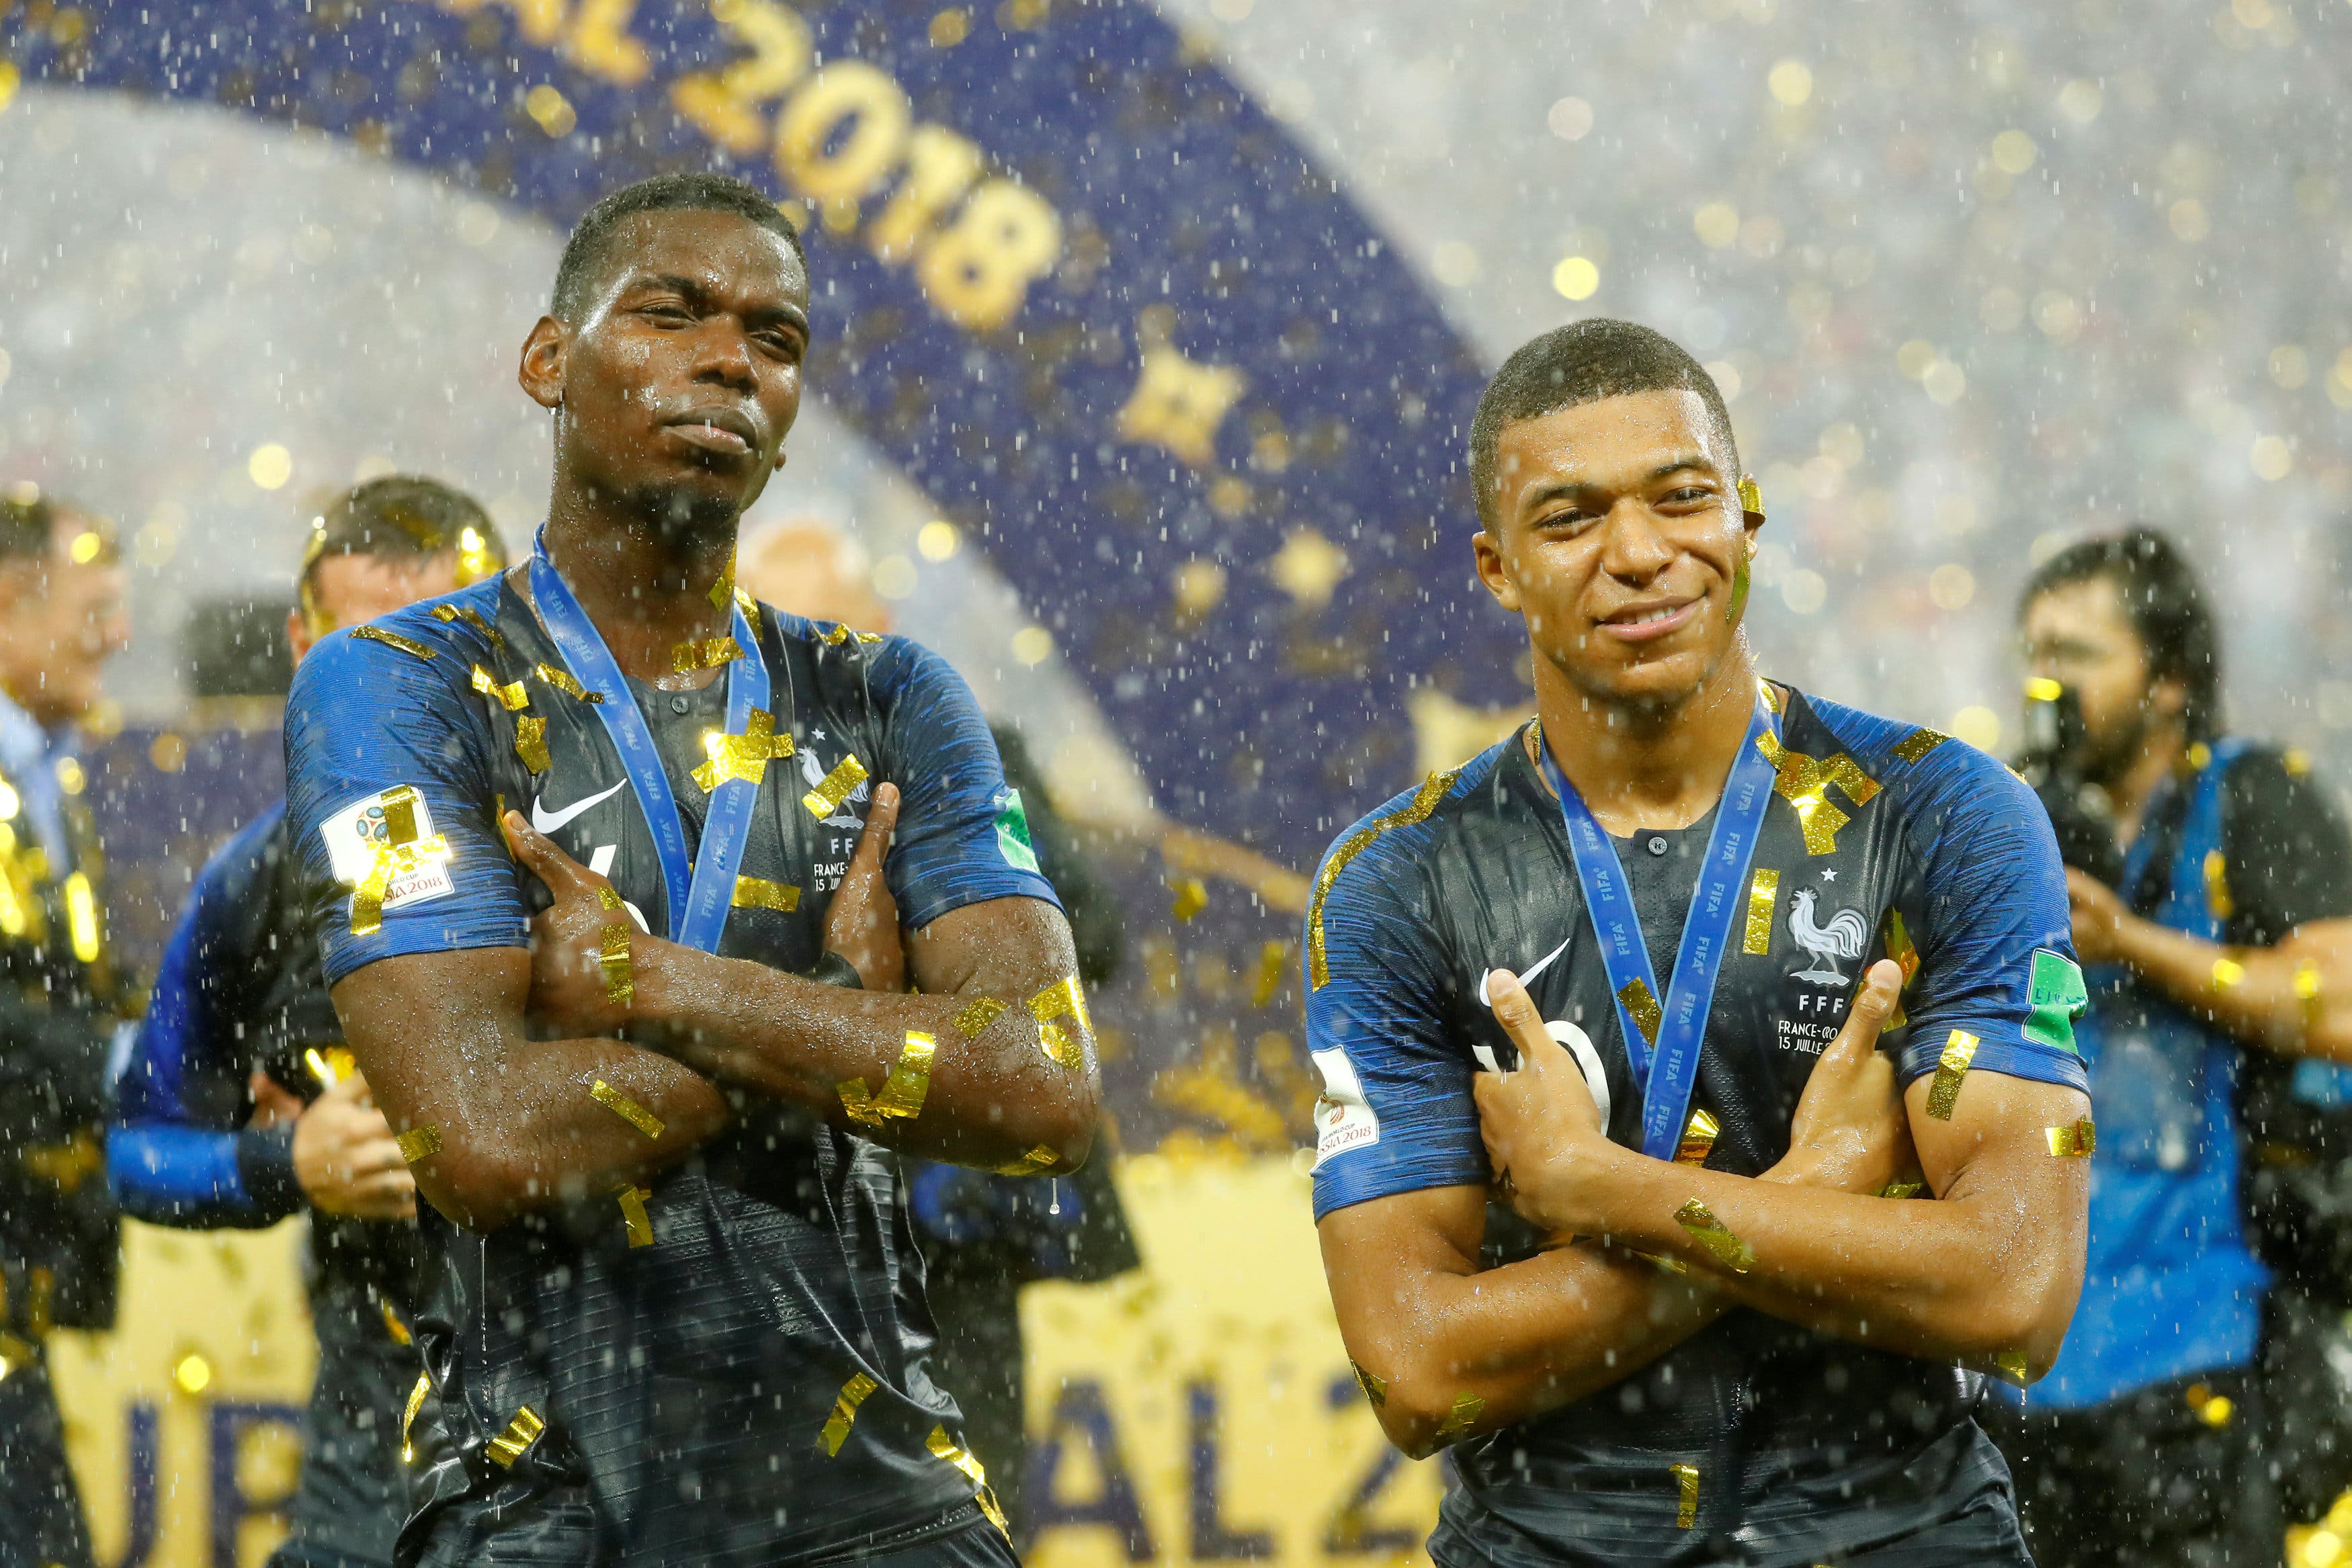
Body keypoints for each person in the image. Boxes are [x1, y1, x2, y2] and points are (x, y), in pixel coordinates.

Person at [281, 172, 1099, 1567]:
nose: (730, 358)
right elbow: (481, 1140)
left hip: (877, 1498)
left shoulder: (892, 695)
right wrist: (842, 1013)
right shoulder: (399, 683)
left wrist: (651, 986)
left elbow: (1039, 1091)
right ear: (549, 362)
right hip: (534, 1501)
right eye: (671, 314)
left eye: (774, 341)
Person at [1304, 318, 2093, 1565]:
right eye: (1569, 518)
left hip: (1900, 1537)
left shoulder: (1947, 814)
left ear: (1747, 523)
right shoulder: (1400, 877)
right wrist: (1808, 1192)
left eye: (1683, 499)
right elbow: (1414, 1371)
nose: (1639, 554)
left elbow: (2015, 1293)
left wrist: (1607, 1192)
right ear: (1497, 568)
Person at [110, 478, 506, 1568]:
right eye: (369, 648)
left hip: (623, 1430)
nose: (410, 689)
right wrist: (291, 1160)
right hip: (371, 1446)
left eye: (447, 644)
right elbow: (137, 1149)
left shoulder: (617, 846)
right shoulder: (258, 879)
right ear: (300, 645)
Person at [738, 517, 1139, 1534]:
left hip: (944, 1227)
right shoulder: (712, 791)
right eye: (766, 630)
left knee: (970, 1503)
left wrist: (930, 932)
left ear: (880, 631)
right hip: (771, 1223)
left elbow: (1087, 932)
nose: (797, 658)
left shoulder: (969, 756)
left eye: (820, 630)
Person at [1989, 527, 2352, 1566]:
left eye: (2079, 654)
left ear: (2170, 681)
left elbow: (2339, 1003)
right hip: (2031, 1365)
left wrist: (2131, 943)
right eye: (2035, 654)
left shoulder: (2252, 796)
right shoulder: (2012, 818)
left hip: (2205, 1346)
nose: (2045, 685)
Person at [0, 486, 132, 1568]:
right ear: (7, 607)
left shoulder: (44, 768)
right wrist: (139, 1065)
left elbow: (62, 984)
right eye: (93, 609)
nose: (120, 635)